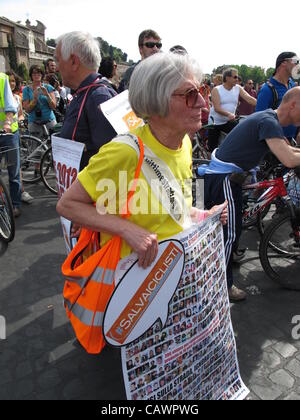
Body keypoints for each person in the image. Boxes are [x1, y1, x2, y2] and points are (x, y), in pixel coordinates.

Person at [57, 51, 228, 269]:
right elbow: (67, 204)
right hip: (128, 287)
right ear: (157, 100)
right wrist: (128, 230)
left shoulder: (184, 144)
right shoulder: (124, 152)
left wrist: (204, 215)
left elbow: (178, 208)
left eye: (201, 91)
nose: (203, 103)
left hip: (172, 277)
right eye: (190, 94)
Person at [198, 87, 300, 302]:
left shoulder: (268, 118)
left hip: (225, 176)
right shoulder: (270, 122)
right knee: (229, 235)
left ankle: (226, 260)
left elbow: (289, 151)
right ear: (294, 105)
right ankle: (222, 286)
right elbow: (289, 160)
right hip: (224, 178)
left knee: (228, 231)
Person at [54, 31, 117, 169]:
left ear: (74, 61)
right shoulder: (87, 92)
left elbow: (113, 162)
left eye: (58, 60)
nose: (56, 68)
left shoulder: (99, 97)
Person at [208, 68, 257, 153]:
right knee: (212, 147)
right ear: (227, 78)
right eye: (235, 77)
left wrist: (264, 106)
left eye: (237, 77)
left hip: (228, 120)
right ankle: (210, 162)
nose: (237, 79)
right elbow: (217, 108)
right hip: (215, 121)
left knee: (240, 136)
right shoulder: (216, 90)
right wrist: (229, 114)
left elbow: (249, 99)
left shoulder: (238, 88)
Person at [256, 52, 299, 141]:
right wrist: (280, 140)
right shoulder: (267, 90)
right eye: (296, 61)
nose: (298, 65)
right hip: (276, 143)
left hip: (293, 139)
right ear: (284, 63)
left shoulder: (291, 84)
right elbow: (259, 121)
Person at [6, 71, 34, 205]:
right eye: (9, 80)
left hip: (13, 134)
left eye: (13, 81)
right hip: (4, 134)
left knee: (15, 169)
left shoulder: (17, 98)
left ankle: (16, 200)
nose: (11, 83)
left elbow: (21, 114)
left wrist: (21, 121)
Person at [0, 73, 22, 217]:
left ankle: (15, 205)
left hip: (8, 135)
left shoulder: (2, 79)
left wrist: (8, 123)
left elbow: (9, 106)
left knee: (13, 172)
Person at [22, 65, 57, 138]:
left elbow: (53, 106)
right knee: (35, 147)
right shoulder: (26, 89)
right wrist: (34, 99)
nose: (36, 75)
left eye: (39, 73)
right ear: (31, 75)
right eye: (34, 73)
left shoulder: (48, 87)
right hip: (34, 123)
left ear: (42, 75)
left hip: (49, 121)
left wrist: (47, 95)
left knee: (52, 147)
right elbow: (27, 110)